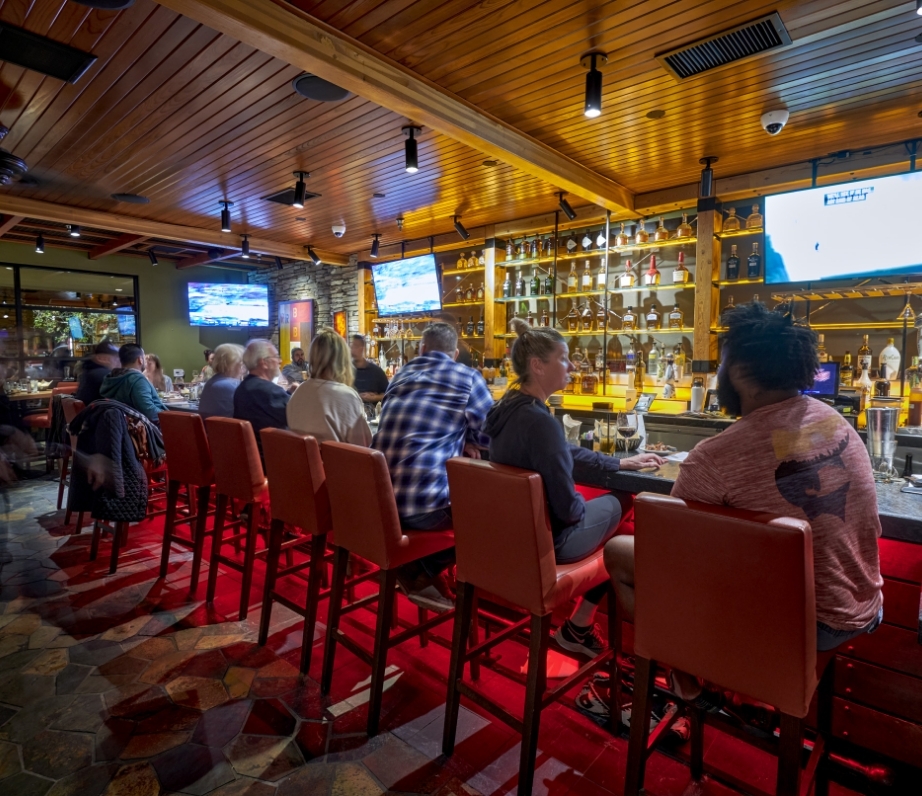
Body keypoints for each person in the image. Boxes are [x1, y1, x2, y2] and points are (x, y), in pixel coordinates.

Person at [605, 301, 884, 712]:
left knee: (620, 552)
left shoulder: (714, 456)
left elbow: (665, 550)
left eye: (722, 363)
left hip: (795, 625)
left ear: (739, 373)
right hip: (862, 607)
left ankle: (684, 674)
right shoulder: (833, 420)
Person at [485, 318, 664, 657]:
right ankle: (585, 628)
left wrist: (618, 463)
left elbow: (562, 450)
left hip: (510, 541)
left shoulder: (508, 409)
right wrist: (583, 501)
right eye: (563, 358)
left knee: (616, 523)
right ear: (538, 366)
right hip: (552, 544)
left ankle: (579, 626)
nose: (572, 366)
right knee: (627, 505)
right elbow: (569, 511)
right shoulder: (540, 422)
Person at [373, 322, 492, 611]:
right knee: (494, 518)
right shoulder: (467, 377)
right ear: (454, 354)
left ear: (421, 349)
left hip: (380, 508)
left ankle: (418, 572)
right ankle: (419, 570)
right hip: (424, 511)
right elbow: (491, 433)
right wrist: (469, 438)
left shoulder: (401, 374)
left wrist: (461, 437)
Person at [287, 329, 371, 445]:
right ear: (342, 359)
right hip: (337, 457)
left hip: (298, 457)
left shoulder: (298, 393)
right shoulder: (347, 396)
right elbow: (364, 446)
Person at [233, 339, 289, 446]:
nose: (280, 361)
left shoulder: (241, 388)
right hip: (274, 452)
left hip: (249, 450)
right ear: (264, 362)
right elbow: (298, 416)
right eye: (276, 357)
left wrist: (289, 393)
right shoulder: (271, 391)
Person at [99, 344, 168, 424]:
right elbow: (150, 412)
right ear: (140, 360)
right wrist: (170, 416)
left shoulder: (110, 378)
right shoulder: (137, 380)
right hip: (147, 428)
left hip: (121, 427)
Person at [199, 343, 246, 420]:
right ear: (232, 365)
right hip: (229, 427)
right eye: (242, 364)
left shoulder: (211, 382)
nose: (244, 369)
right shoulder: (231, 385)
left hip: (210, 427)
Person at [350, 334, 389, 405]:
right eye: (352, 347)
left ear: (363, 348)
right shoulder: (346, 371)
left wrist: (375, 398)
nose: (353, 350)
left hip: (372, 410)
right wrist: (357, 396)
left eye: (356, 346)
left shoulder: (376, 371)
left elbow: (388, 394)